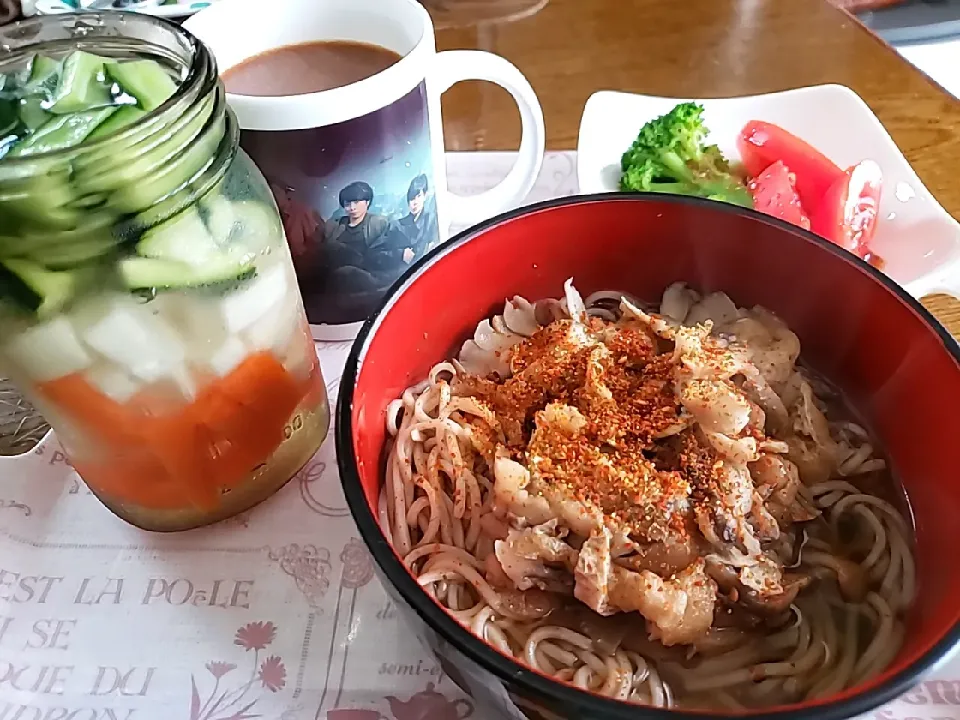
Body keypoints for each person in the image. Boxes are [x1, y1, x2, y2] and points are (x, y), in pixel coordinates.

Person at [397, 174, 438, 262]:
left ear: (425, 196)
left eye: (418, 196)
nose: (415, 202)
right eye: (412, 199)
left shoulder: (432, 220)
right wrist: (400, 254)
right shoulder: (397, 226)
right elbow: (375, 252)